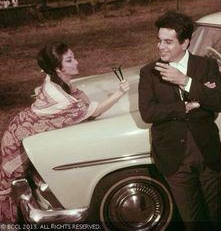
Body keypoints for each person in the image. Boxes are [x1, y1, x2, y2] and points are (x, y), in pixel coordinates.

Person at [0, 42, 129, 223]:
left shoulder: (57, 82)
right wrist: (120, 92)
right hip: (17, 141)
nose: (76, 62)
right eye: (69, 60)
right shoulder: (60, 98)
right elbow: (94, 111)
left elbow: (82, 99)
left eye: (73, 57)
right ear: (57, 69)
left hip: (21, 129)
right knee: (11, 189)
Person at [138, 10, 221, 230]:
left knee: (214, 217)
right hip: (173, 157)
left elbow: (219, 102)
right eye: (159, 41)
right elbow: (148, 113)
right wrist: (187, 105)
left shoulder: (206, 66)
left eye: (168, 42)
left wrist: (185, 81)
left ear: (185, 42)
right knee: (192, 220)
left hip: (207, 153)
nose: (161, 47)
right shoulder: (149, 72)